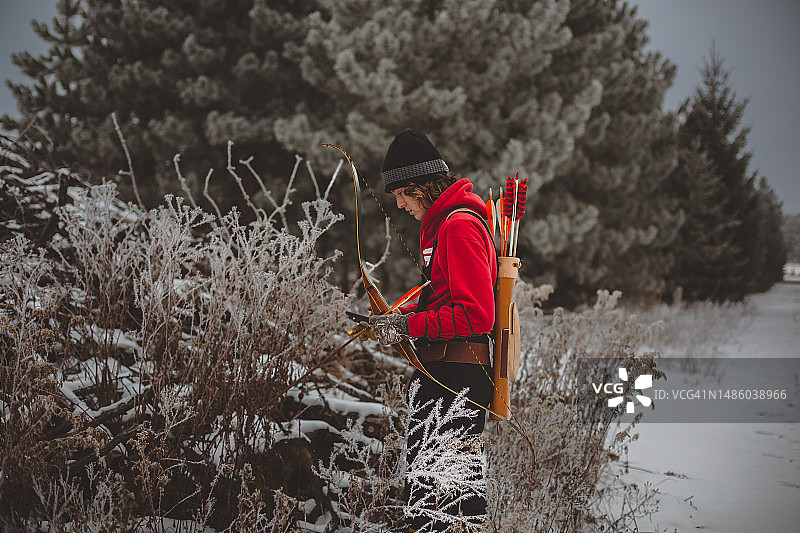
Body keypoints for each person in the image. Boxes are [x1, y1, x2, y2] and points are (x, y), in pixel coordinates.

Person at [368, 129, 497, 531]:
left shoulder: (459, 227)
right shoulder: (447, 225)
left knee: (442, 504)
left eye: (402, 194)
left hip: (455, 377)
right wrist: (401, 316)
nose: (400, 204)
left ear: (421, 185)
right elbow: (444, 299)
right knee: (439, 498)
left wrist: (409, 325)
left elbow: (477, 315)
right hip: (446, 374)